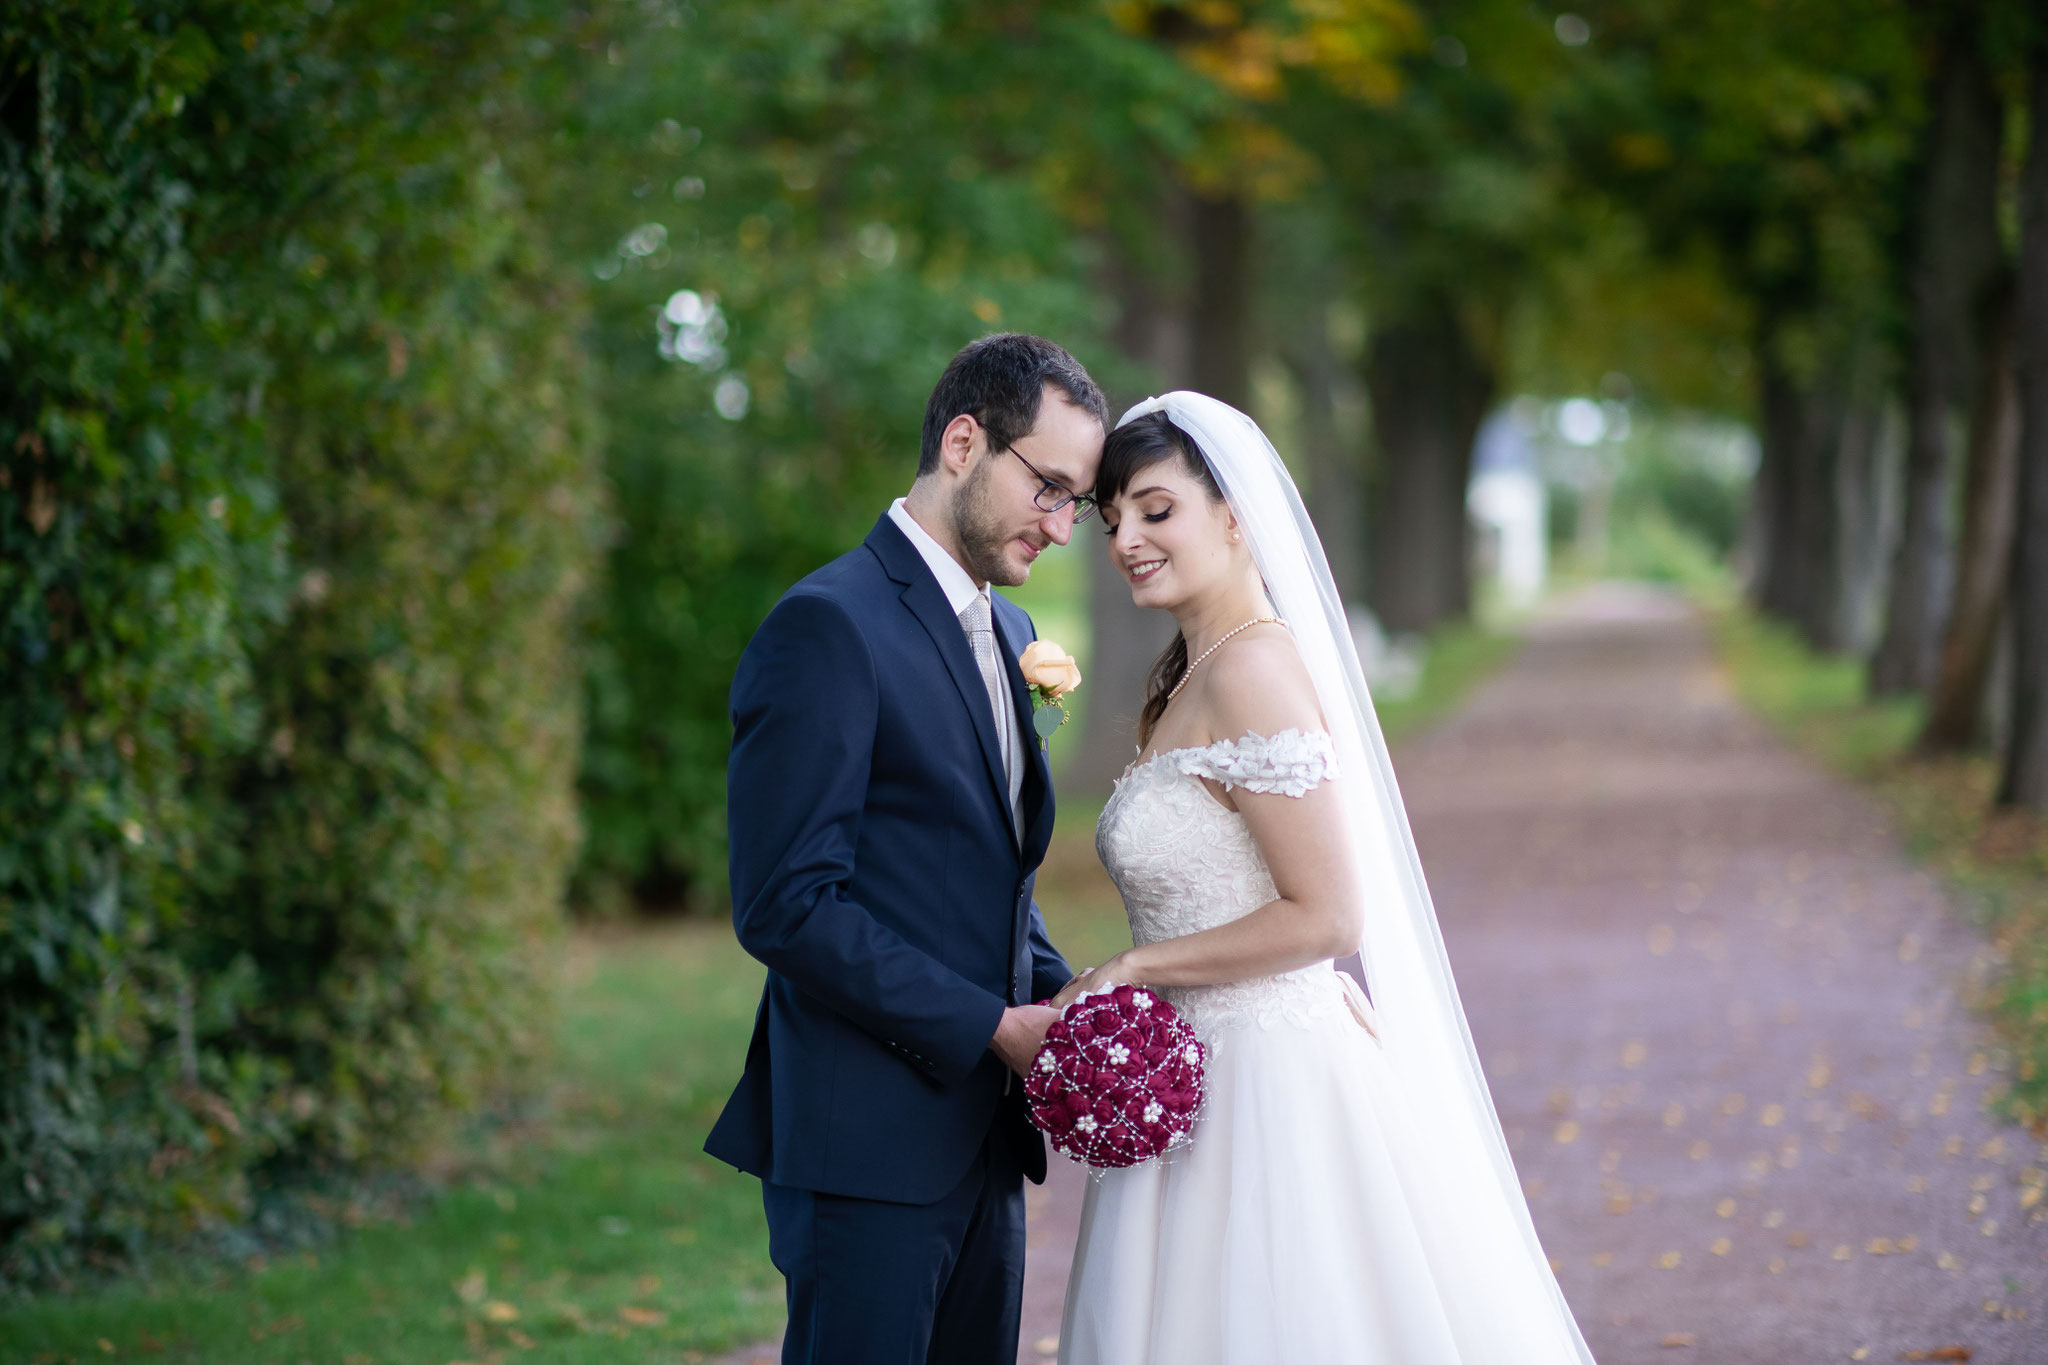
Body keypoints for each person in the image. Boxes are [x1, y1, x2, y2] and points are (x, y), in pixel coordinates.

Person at [1054, 393, 1597, 1363]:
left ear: (1233, 515)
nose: (1126, 538)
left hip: (1267, 1085)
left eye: (1153, 508)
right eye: (1110, 520)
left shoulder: (1250, 671)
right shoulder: (1192, 671)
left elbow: (1328, 915)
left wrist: (1137, 967)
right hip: (1189, 1080)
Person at [704, 333, 1108, 1364]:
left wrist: (1069, 996)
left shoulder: (1014, 633)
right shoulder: (826, 627)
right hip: (863, 1147)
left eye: (1077, 502)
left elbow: (980, 871)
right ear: (965, 443)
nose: (1062, 526)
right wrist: (989, 1024)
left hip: (982, 1142)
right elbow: (786, 903)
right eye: (1049, 489)